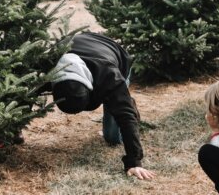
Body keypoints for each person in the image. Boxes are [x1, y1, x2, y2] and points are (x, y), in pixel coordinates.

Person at [49, 32, 155, 180]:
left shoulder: (110, 75)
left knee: (113, 137)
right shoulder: (48, 67)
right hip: (81, 44)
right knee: (115, 104)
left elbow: (126, 116)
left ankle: (126, 99)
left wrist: (134, 161)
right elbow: (21, 91)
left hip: (113, 52)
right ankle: (120, 99)